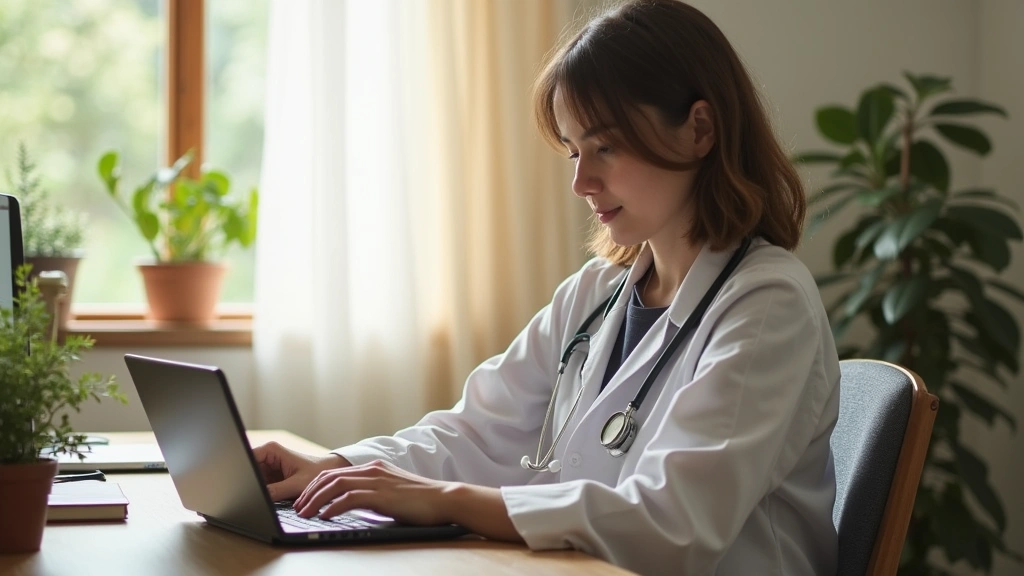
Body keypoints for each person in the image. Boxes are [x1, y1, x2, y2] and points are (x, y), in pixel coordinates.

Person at [253, 1, 840, 574]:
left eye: (605, 146)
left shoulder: (767, 304)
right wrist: (336, 467)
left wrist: (444, 499)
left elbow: (672, 524)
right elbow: (476, 431)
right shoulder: (594, 295)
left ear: (699, 129)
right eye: (573, 151)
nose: (582, 182)